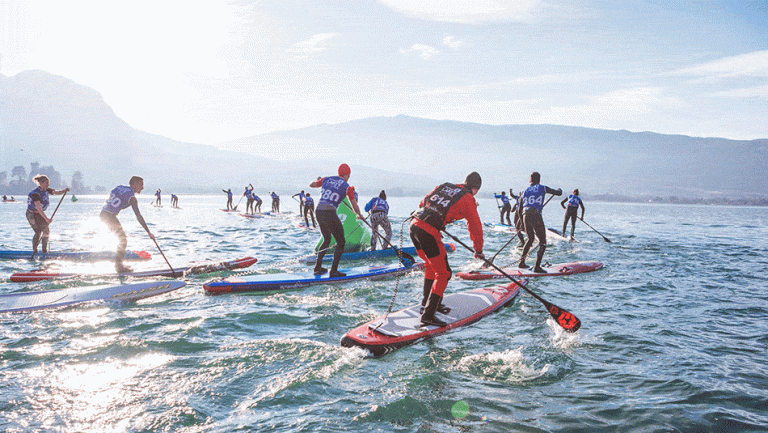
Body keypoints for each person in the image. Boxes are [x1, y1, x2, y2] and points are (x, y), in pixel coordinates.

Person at [410, 172, 485, 327]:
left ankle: (428, 304)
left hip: (414, 226)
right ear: (475, 189)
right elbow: (475, 226)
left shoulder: (444, 186)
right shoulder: (469, 198)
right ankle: (428, 315)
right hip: (428, 232)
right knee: (444, 273)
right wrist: (478, 249)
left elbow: (422, 203)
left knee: (432, 265)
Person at [309, 163, 364, 277]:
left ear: (338, 173)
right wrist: (359, 215)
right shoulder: (347, 187)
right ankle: (333, 271)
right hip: (329, 212)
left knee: (327, 239)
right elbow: (354, 206)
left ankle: (317, 267)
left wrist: (318, 181)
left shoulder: (326, 179)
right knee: (341, 242)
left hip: (318, 211)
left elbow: (312, 185)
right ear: (348, 175)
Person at [100, 176, 155, 272]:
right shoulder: (132, 198)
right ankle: (119, 266)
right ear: (135, 184)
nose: (142, 188)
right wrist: (148, 232)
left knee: (120, 238)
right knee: (123, 240)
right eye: (141, 185)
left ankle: (118, 262)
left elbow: (113, 194)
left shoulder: (120, 187)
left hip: (103, 214)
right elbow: (138, 216)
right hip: (109, 216)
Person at [519, 172, 562, 273]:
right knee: (542, 242)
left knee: (530, 239)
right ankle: (537, 267)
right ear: (539, 180)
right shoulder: (542, 188)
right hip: (536, 215)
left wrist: (522, 223)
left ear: (530, 180)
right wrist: (559, 190)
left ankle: (521, 262)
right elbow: (558, 193)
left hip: (525, 215)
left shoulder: (524, 191)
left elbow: (519, 209)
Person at [26, 174, 69, 257]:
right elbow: (38, 208)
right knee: (38, 232)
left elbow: (56, 192)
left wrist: (64, 191)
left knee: (46, 231)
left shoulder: (47, 190)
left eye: (48, 183)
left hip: (39, 214)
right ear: (41, 183)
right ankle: (35, 251)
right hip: (31, 214)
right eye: (46, 183)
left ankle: (44, 251)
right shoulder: (35, 194)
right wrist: (46, 219)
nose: (48, 185)